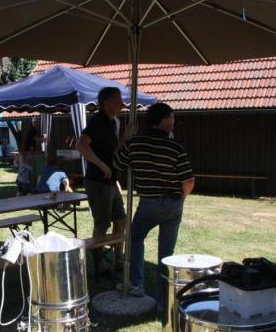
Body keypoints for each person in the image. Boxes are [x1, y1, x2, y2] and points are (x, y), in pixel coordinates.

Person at [114, 102, 194, 304]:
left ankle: (137, 284)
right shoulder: (175, 147)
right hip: (173, 204)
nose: (174, 123)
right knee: (166, 252)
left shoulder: (135, 143)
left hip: (148, 203)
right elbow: (189, 181)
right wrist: (181, 198)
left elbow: (117, 163)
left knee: (135, 238)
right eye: (172, 119)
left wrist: (125, 139)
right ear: (164, 120)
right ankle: (163, 298)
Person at [76, 86, 127, 281]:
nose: (122, 103)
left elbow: (114, 150)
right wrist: (100, 164)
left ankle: (118, 260)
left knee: (121, 221)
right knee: (102, 223)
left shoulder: (114, 122)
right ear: (106, 103)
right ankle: (99, 264)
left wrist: (126, 137)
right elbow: (81, 145)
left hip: (111, 182)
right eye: (118, 99)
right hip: (98, 182)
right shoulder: (98, 120)